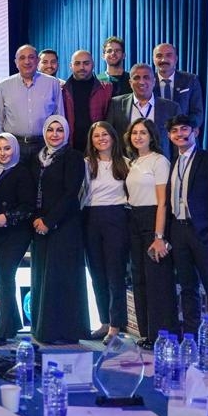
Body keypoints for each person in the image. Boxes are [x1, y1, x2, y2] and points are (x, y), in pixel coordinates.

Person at [166, 114, 208, 357]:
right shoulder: (173, 162)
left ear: (195, 132)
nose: (180, 134)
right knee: (187, 289)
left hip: (204, 233)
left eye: (184, 129)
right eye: (175, 131)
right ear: (169, 136)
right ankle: (191, 340)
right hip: (179, 231)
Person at [30, 115, 88, 345]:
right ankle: (43, 330)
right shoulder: (37, 158)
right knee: (42, 277)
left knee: (61, 278)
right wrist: (37, 219)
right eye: (50, 130)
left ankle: (64, 332)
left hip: (64, 225)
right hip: (40, 226)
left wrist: (49, 221)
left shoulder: (73, 157)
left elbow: (70, 193)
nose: (55, 134)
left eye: (59, 130)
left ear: (66, 133)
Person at [123, 118, 174, 347]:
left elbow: (163, 202)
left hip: (153, 219)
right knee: (139, 278)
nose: (138, 137)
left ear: (152, 136)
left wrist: (159, 236)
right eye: (135, 133)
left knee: (157, 280)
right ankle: (146, 333)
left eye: (143, 132)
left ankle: (162, 336)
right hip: (133, 219)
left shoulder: (159, 161)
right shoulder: (133, 162)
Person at [0, 133, 36, 346]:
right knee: (0, 279)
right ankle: (11, 322)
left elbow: (28, 206)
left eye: (7, 148)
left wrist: (8, 217)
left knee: (5, 277)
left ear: (15, 149)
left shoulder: (23, 172)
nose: (2, 153)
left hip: (15, 234)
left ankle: (3, 330)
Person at [80, 121, 129, 340]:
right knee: (97, 273)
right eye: (96, 136)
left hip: (117, 218)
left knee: (115, 274)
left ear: (113, 137)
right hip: (91, 217)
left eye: (105, 134)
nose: (101, 139)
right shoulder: (86, 164)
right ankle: (104, 322)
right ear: (91, 141)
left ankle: (116, 326)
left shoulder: (126, 164)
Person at [0, 45, 62, 158]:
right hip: (13, 145)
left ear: (37, 61)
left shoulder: (53, 84)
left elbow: (59, 116)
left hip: (45, 144)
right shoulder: (3, 86)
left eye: (31, 57)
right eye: (22, 58)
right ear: (16, 62)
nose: (27, 61)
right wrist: (3, 146)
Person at [105, 63, 178, 156]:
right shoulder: (116, 103)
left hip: (160, 162)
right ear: (130, 83)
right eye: (136, 78)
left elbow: (177, 143)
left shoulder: (171, 108)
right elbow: (109, 135)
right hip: (126, 162)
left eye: (146, 77)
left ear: (154, 81)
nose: (141, 82)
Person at [62, 51, 114, 152]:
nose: (82, 67)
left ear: (93, 64)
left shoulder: (107, 89)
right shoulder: (62, 91)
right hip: (70, 148)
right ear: (71, 66)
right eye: (77, 63)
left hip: (99, 147)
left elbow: (111, 121)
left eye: (86, 63)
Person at [152, 43, 205, 130]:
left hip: (183, 133)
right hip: (156, 134)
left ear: (176, 59)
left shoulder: (191, 80)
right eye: (159, 56)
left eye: (168, 55)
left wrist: (189, 127)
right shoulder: (148, 82)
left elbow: (197, 112)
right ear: (153, 59)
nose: (163, 60)